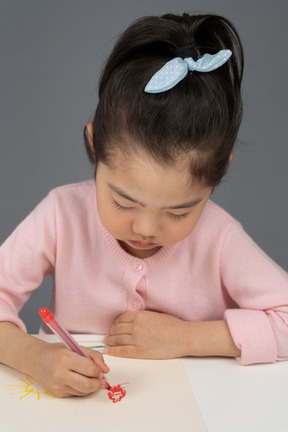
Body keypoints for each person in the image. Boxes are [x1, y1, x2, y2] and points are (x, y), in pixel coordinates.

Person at [0, 13, 288, 399]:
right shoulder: (61, 215)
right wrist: (34, 356)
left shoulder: (219, 238)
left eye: (179, 212)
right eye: (123, 202)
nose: (147, 229)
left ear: (218, 176)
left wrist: (191, 338)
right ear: (94, 145)